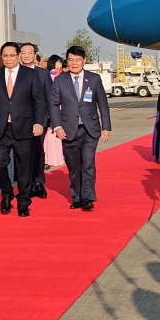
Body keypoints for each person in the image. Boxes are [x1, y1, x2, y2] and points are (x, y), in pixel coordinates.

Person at [0, 42, 47, 217]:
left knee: (24, 168)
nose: (8, 59)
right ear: (0, 57)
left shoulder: (31, 75)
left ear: (18, 56)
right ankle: (6, 192)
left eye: (12, 55)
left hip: (25, 127)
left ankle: (23, 201)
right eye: (5, 56)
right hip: (1, 128)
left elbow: (39, 102)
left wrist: (39, 122)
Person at [49, 46, 110, 210]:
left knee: (88, 163)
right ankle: (76, 196)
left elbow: (103, 104)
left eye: (78, 60)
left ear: (84, 61)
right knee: (74, 166)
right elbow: (53, 105)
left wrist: (106, 127)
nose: (74, 63)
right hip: (68, 130)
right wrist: (57, 126)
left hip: (89, 129)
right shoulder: (60, 80)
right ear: (67, 61)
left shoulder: (94, 79)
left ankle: (88, 197)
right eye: (71, 60)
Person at [19, 43, 49, 198]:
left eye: (29, 53)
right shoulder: (14, 73)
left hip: (39, 119)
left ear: (34, 55)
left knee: (38, 151)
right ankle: (26, 185)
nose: (26, 55)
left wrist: (48, 120)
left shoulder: (43, 74)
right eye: (23, 52)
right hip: (20, 120)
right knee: (23, 153)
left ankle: (38, 182)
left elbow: (49, 98)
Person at [42, 55, 65, 169]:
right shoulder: (51, 75)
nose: (59, 65)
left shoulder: (59, 76)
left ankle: (56, 158)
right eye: (57, 62)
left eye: (60, 63)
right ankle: (48, 159)